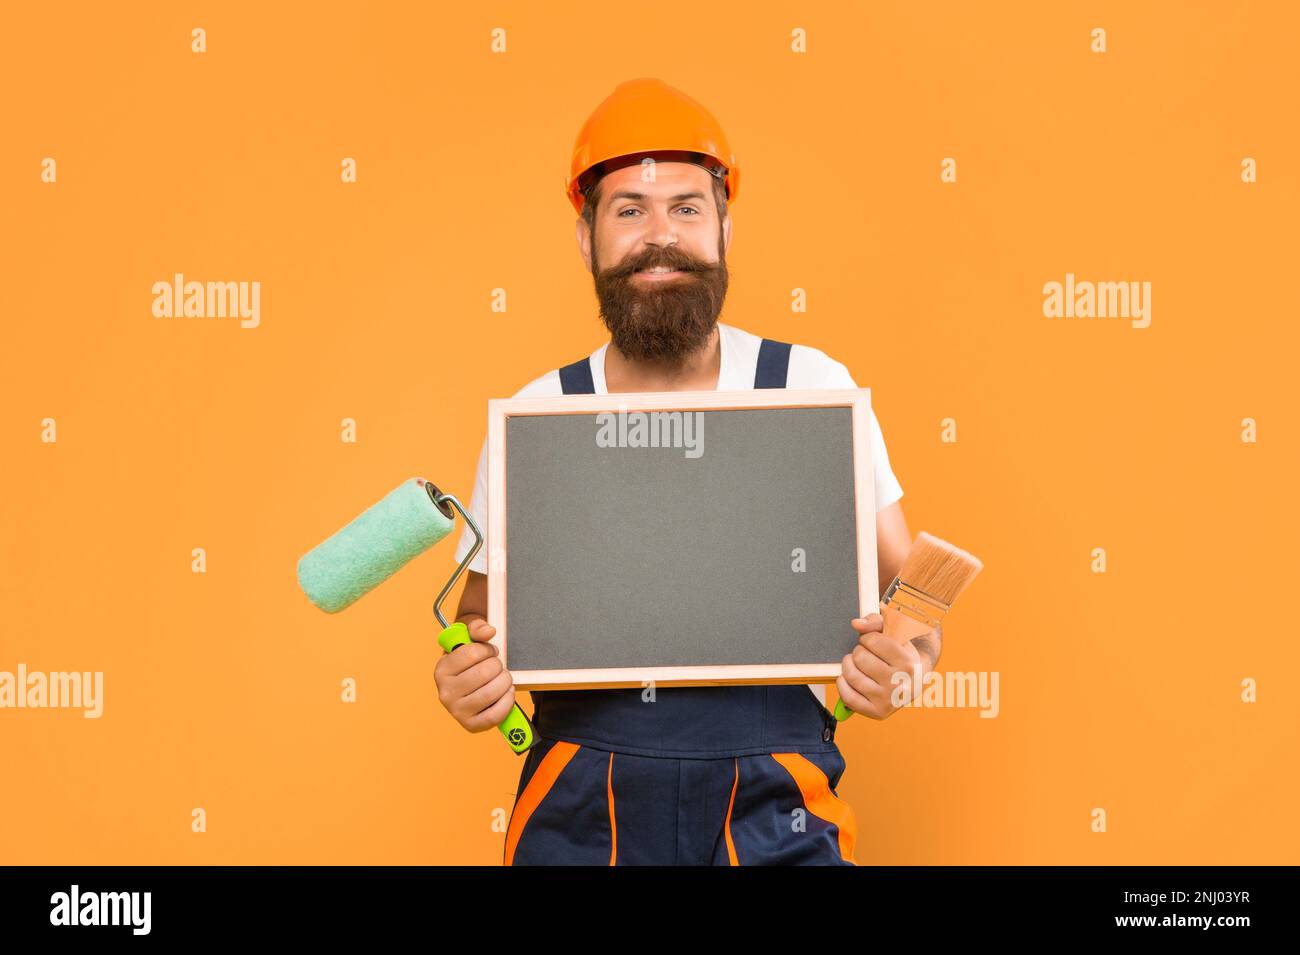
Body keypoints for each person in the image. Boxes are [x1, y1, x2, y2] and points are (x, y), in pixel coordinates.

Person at [433, 78, 941, 865]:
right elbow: (477, 625)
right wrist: (468, 680)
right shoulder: (539, 415)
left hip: (780, 795)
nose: (658, 236)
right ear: (586, 236)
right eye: (629, 209)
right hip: (579, 802)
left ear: (724, 229)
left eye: (686, 207)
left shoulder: (810, 387)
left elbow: (914, 602)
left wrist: (904, 666)